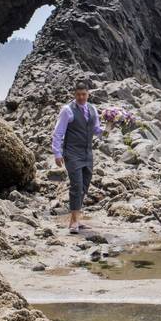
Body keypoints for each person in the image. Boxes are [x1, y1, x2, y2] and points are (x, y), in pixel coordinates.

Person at [51, 81, 104, 234]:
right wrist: (57, 153)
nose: (81, 97)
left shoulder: (93, 109)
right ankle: (73, 221)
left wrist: (109, 127)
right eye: (78, 94)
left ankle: (77, 219)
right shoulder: (67, 110)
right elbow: (58, 133)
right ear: (75, 95)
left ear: (88, 94)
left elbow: (95, 129)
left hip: (88, 154)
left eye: (84, 94)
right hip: (72, 153)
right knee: (77, 185)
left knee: (85, 185)